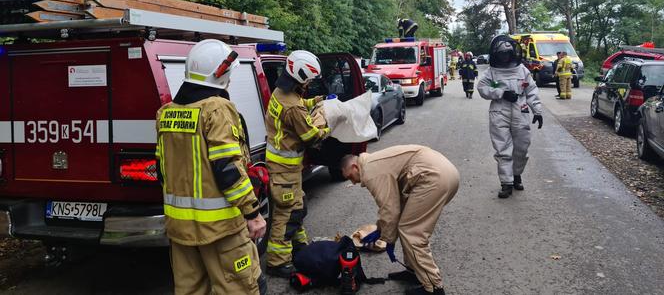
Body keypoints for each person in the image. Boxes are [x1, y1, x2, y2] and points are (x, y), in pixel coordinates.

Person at [155, 39, 267, 295]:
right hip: (222, 230)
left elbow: (161, 170)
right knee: (240, 288)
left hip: (180, 231)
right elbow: (228, 168)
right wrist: (252, 213)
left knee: (190, 290)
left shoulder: (166, 113)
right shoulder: (216, 109)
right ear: (221, 73)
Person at [340, 145, 459, 295]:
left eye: (350, 176)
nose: (354, 182)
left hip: (434, 179)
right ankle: (414, 272)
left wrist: (388, 239)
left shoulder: (370, 172)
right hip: (443, 174)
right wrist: (381, 229)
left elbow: (390, 210)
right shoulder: (373, 163)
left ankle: (434, 288)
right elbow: (397, 204)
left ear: (355, 166)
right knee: (406, 224)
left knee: (412, 232)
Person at [264, 50, 332, 277]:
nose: (310, 83)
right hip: (284, 168)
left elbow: (300, 103)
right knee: (286, 213)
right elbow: (310, 136)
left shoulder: (281, 92)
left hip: (285, 168)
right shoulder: (292, 107)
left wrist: (318, 101)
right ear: (302, 75)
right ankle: (277, 262)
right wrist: (329, 126)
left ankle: (299, 246)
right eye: (310, 79)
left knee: (297, 206)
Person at [477, 35, 544, 199]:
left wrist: (537, 111)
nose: (505, 57)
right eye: (502, 54)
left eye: (507, 53)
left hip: (520, 110)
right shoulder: (492, 72)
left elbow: (531, 91)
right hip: (499, 111)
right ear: (497, 55)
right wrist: (501, 93)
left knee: (521, 148)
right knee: (503, 149)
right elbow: (482, 87)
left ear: (513, 53)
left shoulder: (522, 70)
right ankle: (506, 183)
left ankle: (516, 176)